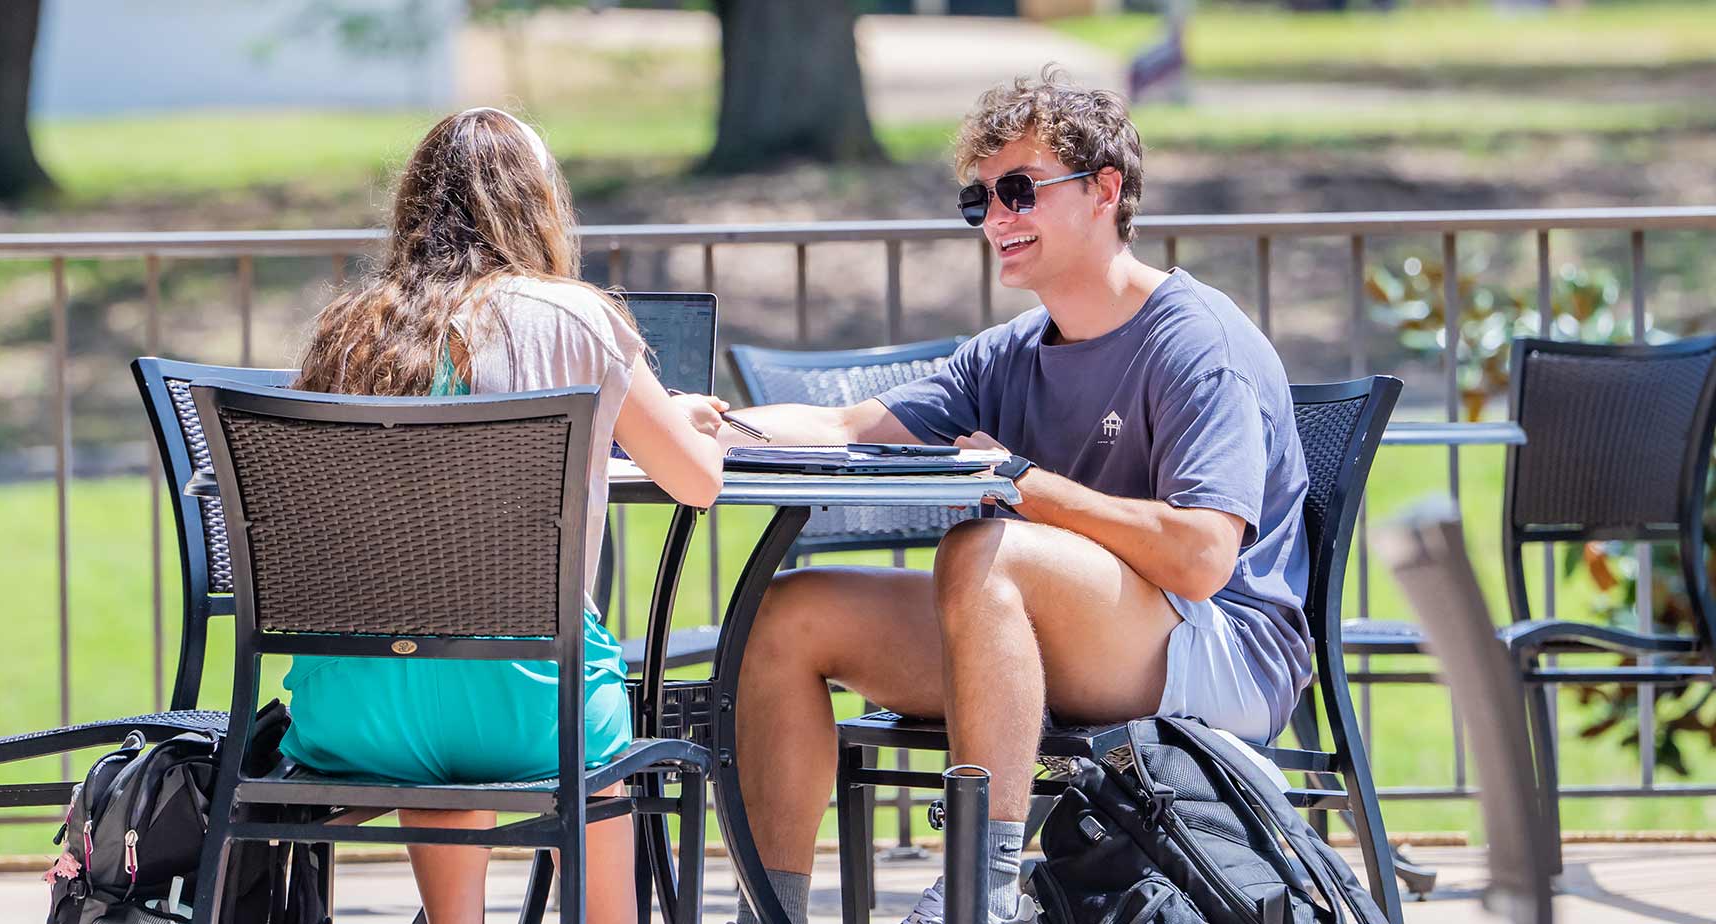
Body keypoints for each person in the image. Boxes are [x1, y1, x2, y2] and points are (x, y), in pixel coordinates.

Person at [723, 68, 1312, 924]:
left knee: (982, 549)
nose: (997, 218)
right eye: (980, 199)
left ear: (1105, 190)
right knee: (787, 615)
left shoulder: (1198, 341)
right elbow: (848, 423)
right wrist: (695, 427)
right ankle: (769, 915)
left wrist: (1026, 487)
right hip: (1071, 635)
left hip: (1222, 650)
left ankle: (979, 891)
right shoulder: (1010, 351)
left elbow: (1202, 555)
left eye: (1019, 190)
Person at [286, 107, 741, 924]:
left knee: (436, 646)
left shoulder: (347, 332)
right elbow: (696, 483)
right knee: (509, 683)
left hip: (353, 712)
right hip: (534, 711)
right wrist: (681, 422)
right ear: (536, 203)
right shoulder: (577, 318)